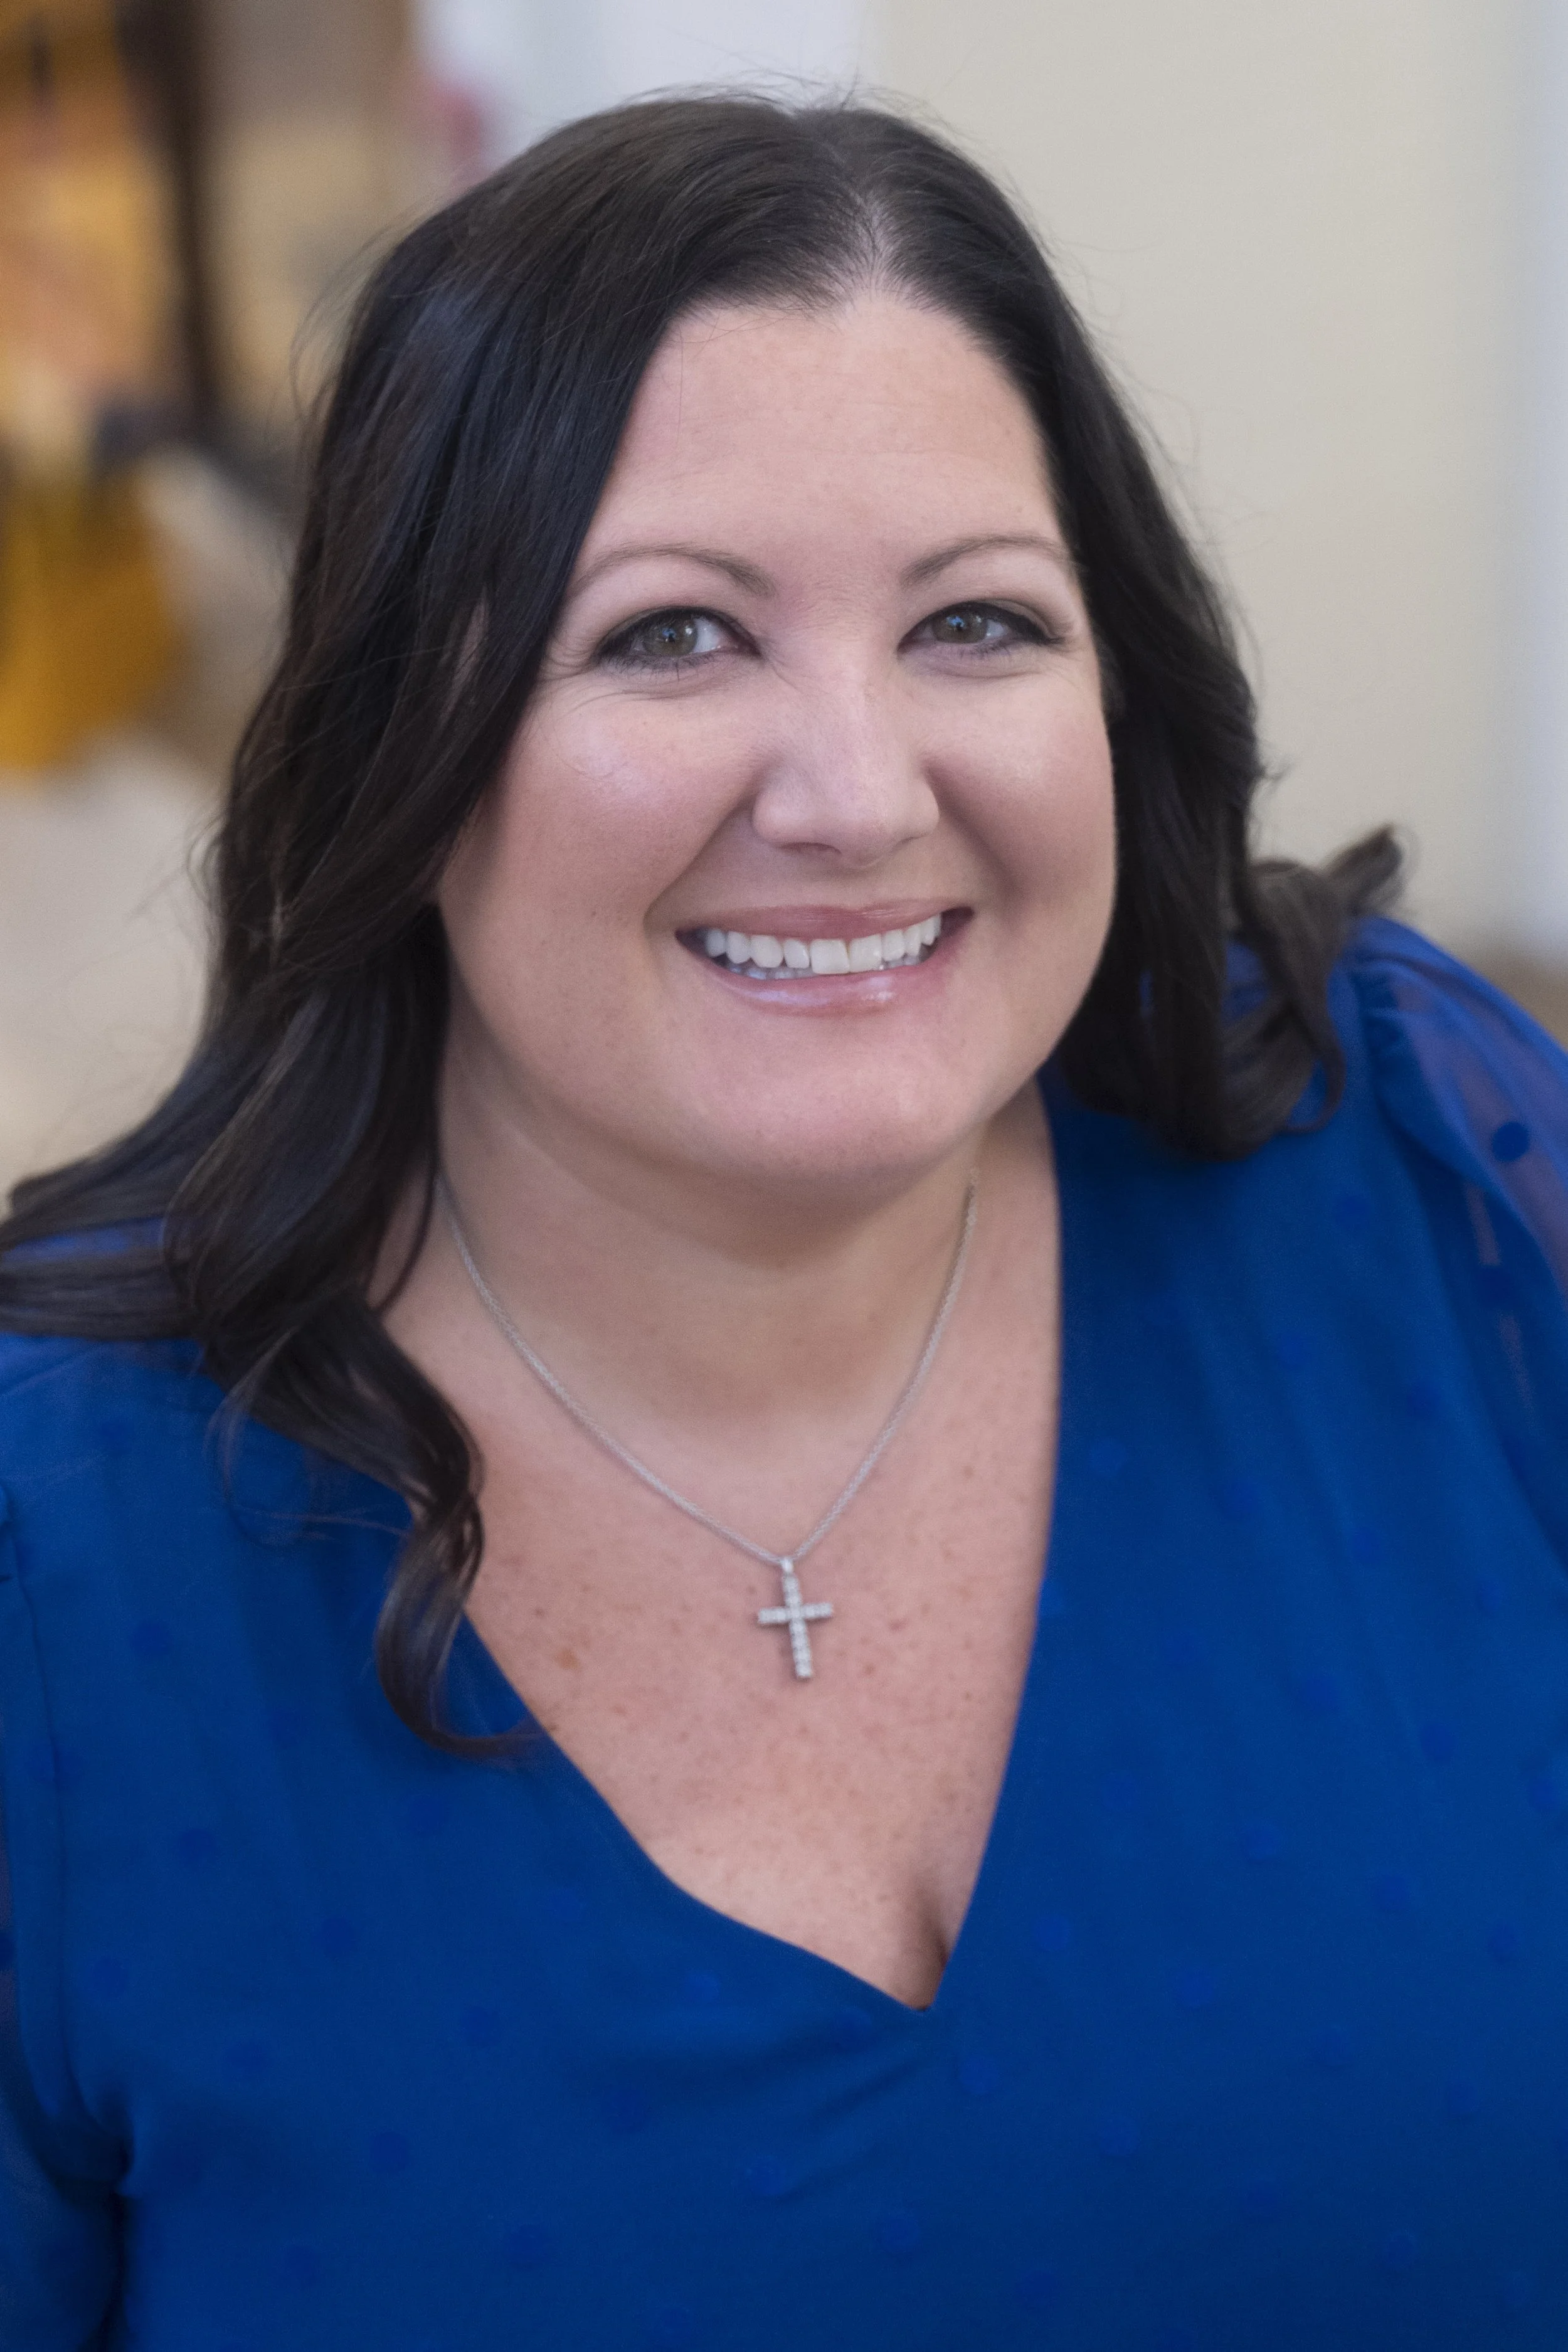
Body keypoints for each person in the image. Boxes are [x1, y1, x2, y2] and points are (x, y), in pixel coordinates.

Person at [2, 92, 1566, 2352]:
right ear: (398, 746)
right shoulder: (61, 1570)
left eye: (974, 622)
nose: (853, 790)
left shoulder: (1423, 1171)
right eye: (670, 639)